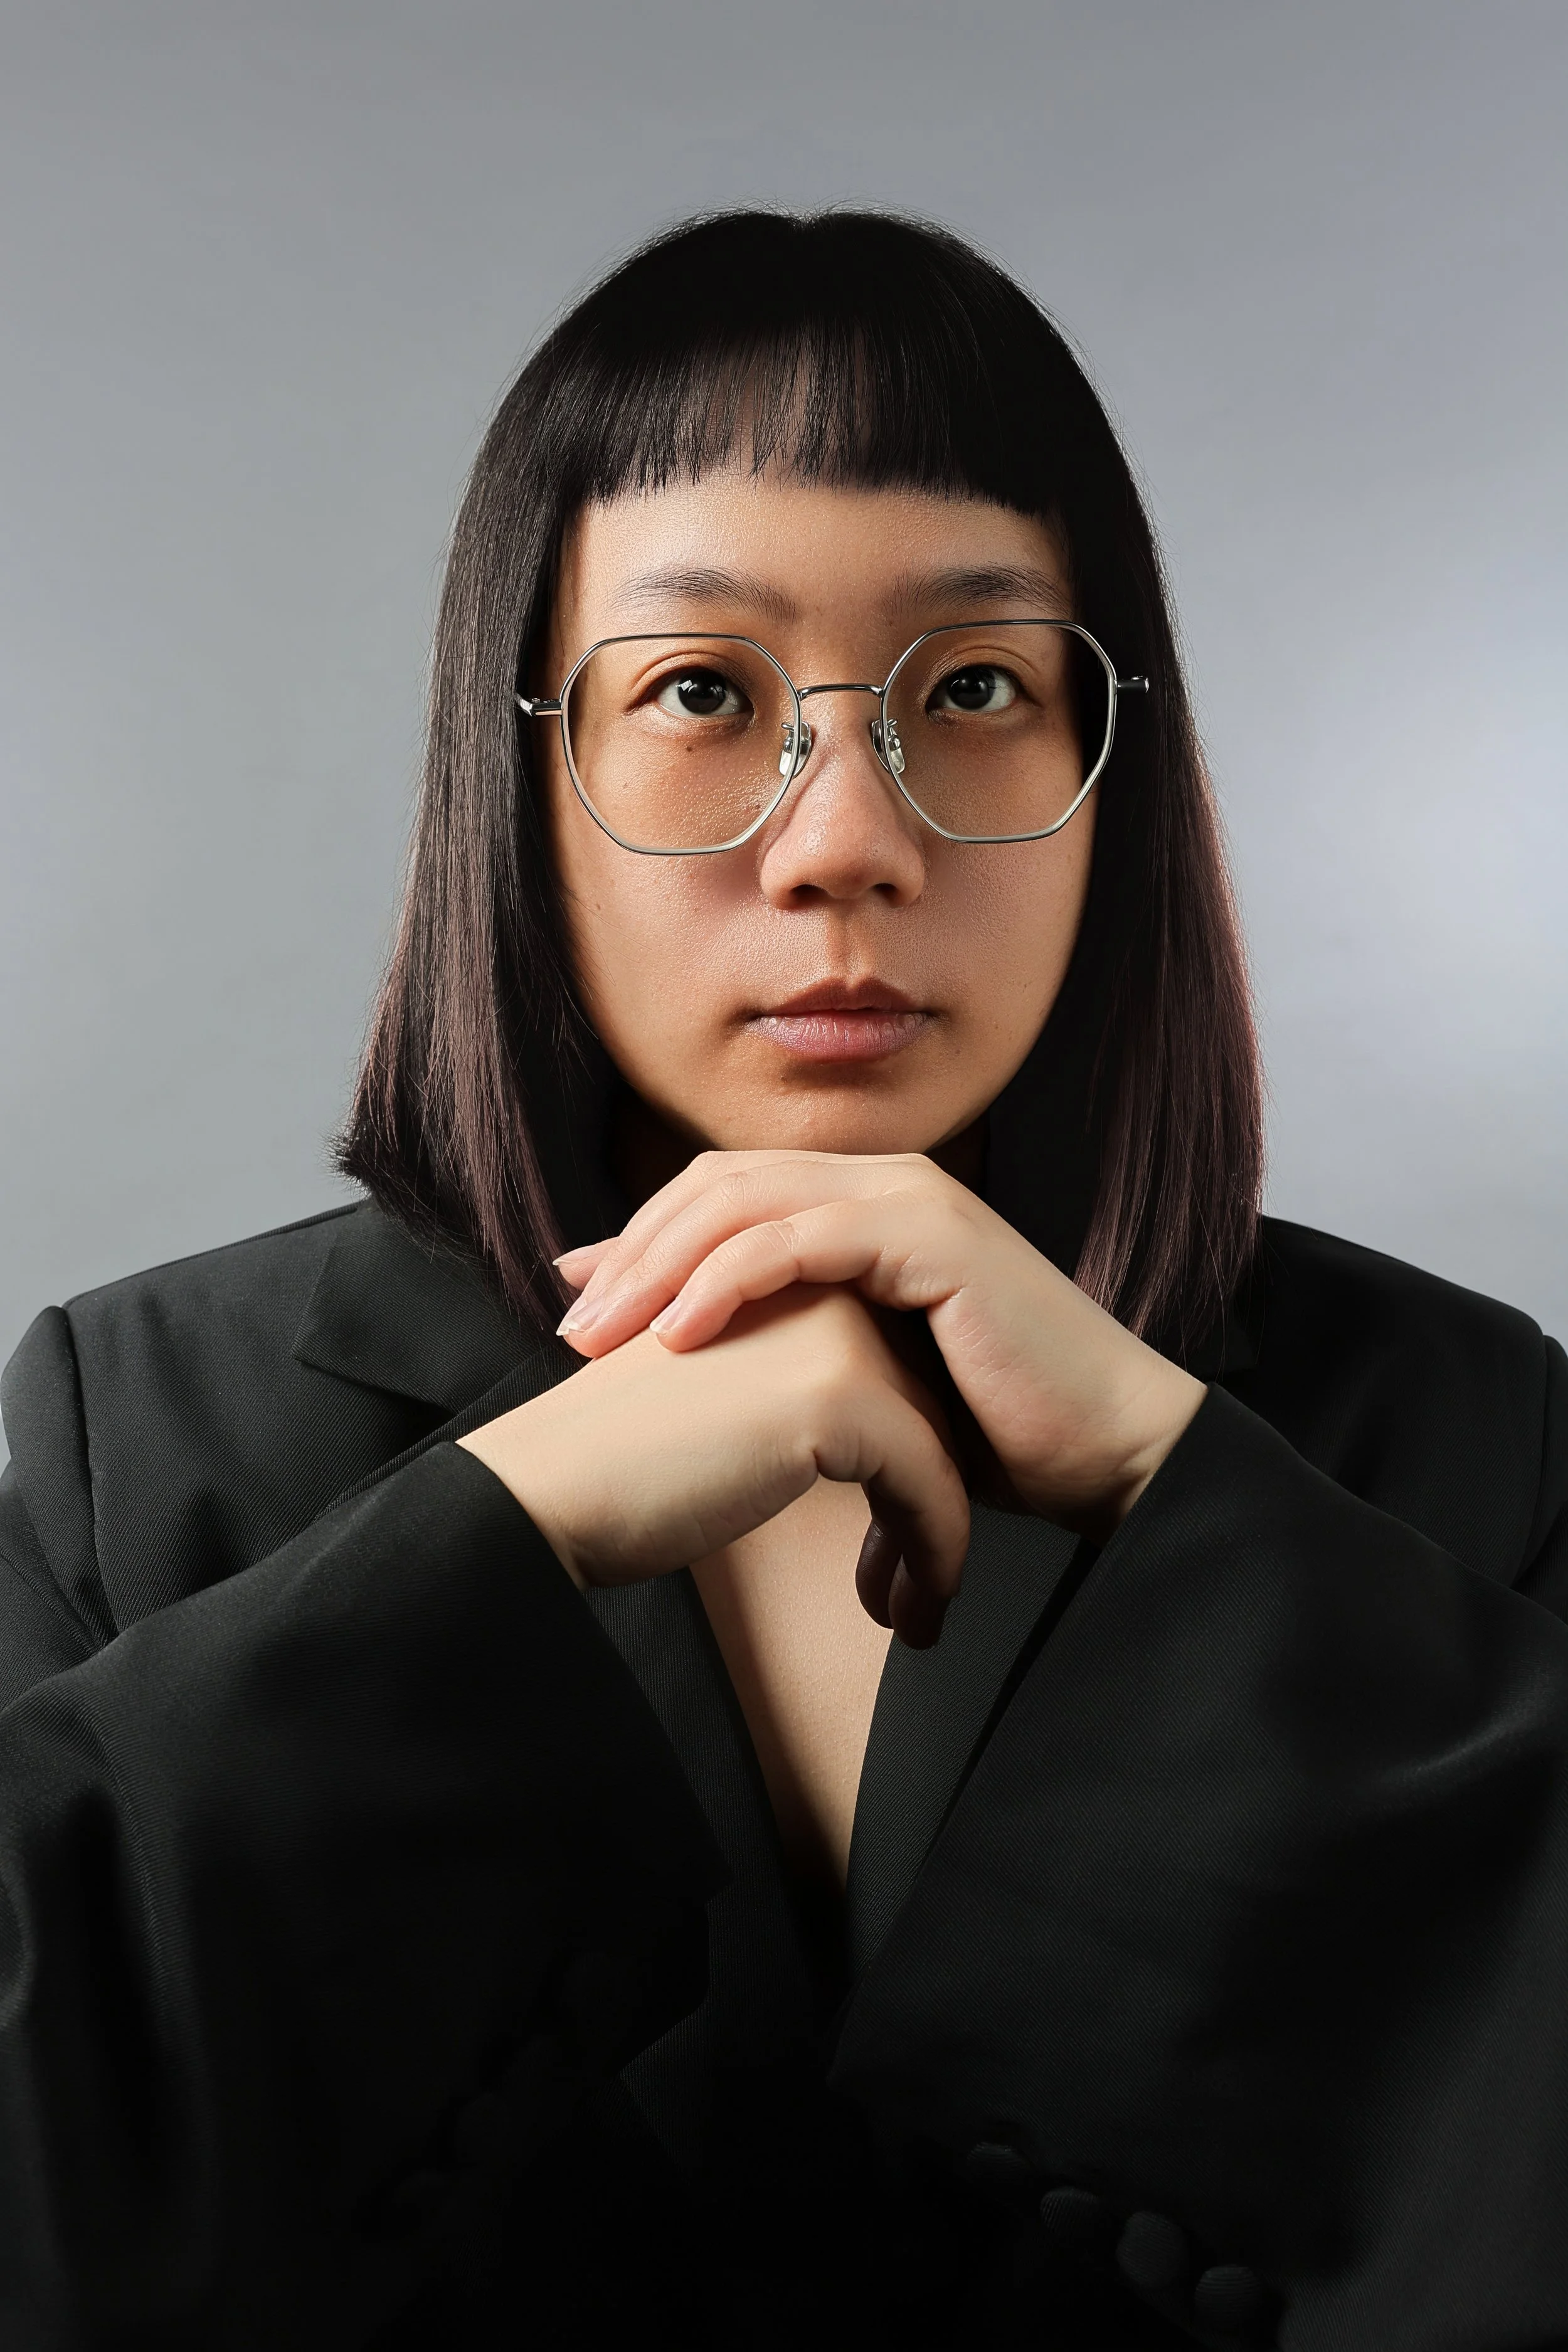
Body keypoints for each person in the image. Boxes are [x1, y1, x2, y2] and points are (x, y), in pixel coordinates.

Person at [0, 210, 1563, 2352]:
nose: (843, 840)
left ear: (1114, 774)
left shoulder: (1466, 1426)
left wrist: (1167, 1474)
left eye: (978, 687)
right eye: (701, 693)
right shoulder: (147, 1430)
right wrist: (509, 1529)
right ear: (516, 776)